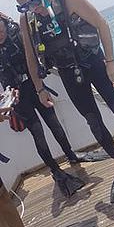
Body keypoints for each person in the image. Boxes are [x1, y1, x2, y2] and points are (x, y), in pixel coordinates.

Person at [12, 0, 114, 203]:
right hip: (69, 74)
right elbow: (30, 57)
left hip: (95, 64)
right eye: (25, 6)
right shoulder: (27, 20)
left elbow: (101, 24)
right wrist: (40, 89)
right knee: (93, 122)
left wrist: (110, 61)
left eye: (35, 1)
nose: (33, 8)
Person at [0, 12, 85, 197]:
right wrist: (6, 97)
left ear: (5, 24)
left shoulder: (17, 33)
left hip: (35, 86)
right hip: (17, 96)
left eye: (0, 28)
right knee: (37, 133)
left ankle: (71, 155)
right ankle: (56, 172)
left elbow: (36, 51)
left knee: (54, 123)